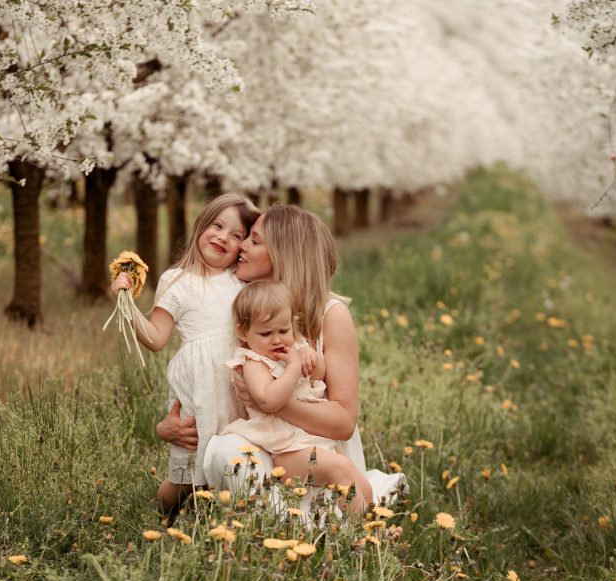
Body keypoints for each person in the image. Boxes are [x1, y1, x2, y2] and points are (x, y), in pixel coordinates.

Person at [155, 203, 404, 511]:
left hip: (312, 449)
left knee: (325, 500)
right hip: (256, 440)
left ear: (283, 254)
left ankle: (296, 528)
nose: (241, 245)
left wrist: (275, 401)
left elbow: (343, 422)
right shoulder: (241, 303)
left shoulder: (330, 314)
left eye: (254, 241)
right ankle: (272, 524)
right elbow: (201, 373)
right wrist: (167, 427)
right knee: (227, 452)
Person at [111, 193, 261, 515]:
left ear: (243, 248)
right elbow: (155, 337)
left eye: (237, 235)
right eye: (218, 226)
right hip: (199, 391)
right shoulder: (177, 280)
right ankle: (160, 516)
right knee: (189, 474)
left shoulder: (242, 282)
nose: (223, 237)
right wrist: (126, 303)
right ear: (201, 226)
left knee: (233, 463)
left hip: (235, 389)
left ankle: (223, 516)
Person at [220, 280, 374, 514]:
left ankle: (368, 528)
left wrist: (310, 357)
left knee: (362, 485)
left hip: (313, 439)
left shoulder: (294, 347)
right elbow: (269, 401)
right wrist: (293, 366)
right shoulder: (253, 361)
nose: (276, 340)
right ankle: (370, 536)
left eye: (283, 331)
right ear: (243, 332)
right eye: (266, 333)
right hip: (286, 450)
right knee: (340, 468)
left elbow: (319, 376)